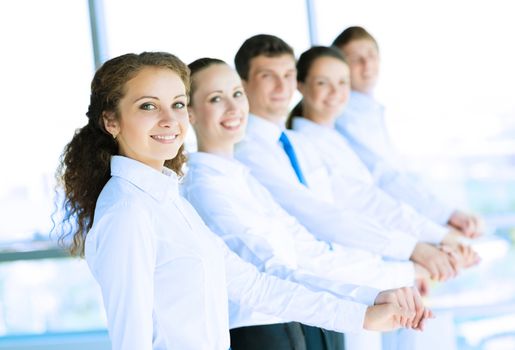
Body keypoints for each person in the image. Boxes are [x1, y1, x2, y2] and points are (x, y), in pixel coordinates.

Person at [55, 51, 421, 350]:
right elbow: (130, 342)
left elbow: (253, 284)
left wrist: (363, 314)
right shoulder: (128, 211)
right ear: (111, 121)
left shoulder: (168, 200)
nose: (169, 119)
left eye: (178, 104)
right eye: (148, 106)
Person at [183, 57, 431, 350]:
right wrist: (364, 307)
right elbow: (270, 271)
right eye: (215, 98)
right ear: (190, 113)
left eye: (237, 94)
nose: (233, 107)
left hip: (295, 322)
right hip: (260, 335)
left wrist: (373, 294)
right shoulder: (206, 190)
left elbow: (304, 248)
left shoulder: (243, 179)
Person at [233, 34, 459, 282]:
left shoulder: (297, 144)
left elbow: (355, 205)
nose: (281, 86)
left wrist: (401, 269)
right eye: (267, 76)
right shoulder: (248, 152)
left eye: (287, 75)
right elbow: (318, 217)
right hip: (307, 286)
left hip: (349, 276)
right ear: (242, 84)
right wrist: (410, 255)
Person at [288, 45, 480, 270]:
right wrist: (436, 239)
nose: (335, 92)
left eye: (342, 82)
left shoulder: (333, 139)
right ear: (300, 86)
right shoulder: (306, 145)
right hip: (357, 269)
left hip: (379, 264)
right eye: (322, 83)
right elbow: (366, 205)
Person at [331, 26, 483, 238]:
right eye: (356, 59)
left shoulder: (370, 110)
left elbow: (400, 174)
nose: (367, 65)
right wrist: (445, 215)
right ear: (340, 67)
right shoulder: (345, 117)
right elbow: (384, 177)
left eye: (371, 56)